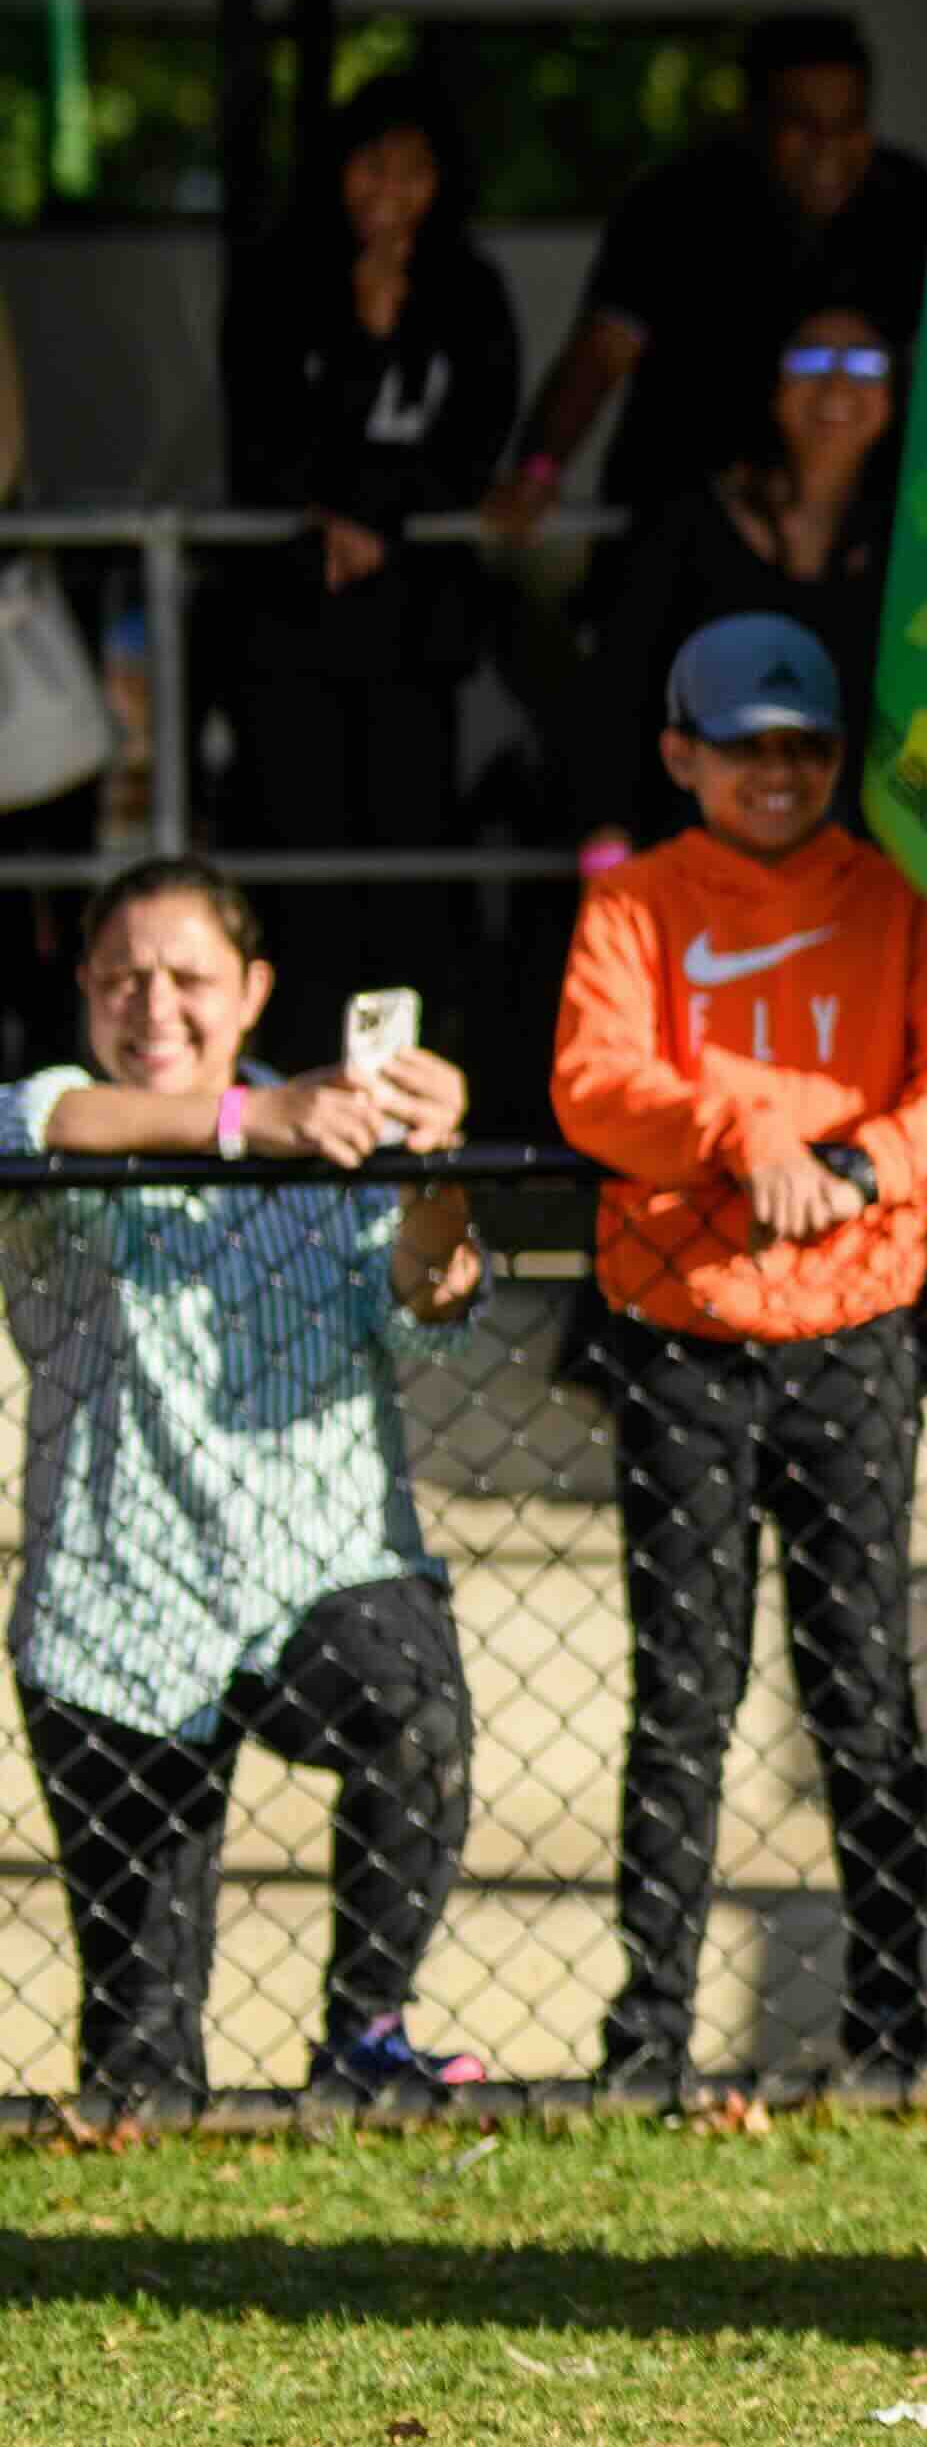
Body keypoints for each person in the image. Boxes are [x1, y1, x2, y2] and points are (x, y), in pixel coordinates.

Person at [546, 614, 927, 2093]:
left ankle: (887, 2022)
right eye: (745, 744)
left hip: (851, 1344)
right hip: (679, 1341)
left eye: (804, 745)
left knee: (861, 1691)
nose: (776, 770)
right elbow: (590, 1087)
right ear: (681, 751)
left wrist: (870, 1163)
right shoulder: (633, 908)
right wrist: (745, 1134)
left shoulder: (897, 902)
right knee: (682, 1695)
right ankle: (649, 2036)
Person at [1, 859, 488, 2101]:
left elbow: (432, 1303)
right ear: (86, 992)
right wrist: (242, 1127)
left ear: (255, 990)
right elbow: (41, 1122)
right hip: (116, 1608)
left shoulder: (340, 1123)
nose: (153, 1005)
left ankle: (363, 2042)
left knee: (414, 1709)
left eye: (188, 978)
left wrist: (434, 1171)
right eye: (121, 977)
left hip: (319, 1572)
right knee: (141, 2045)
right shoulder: (64, 1119)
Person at [216, 75, 521, 1003]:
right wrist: (363, 334)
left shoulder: (469, 290)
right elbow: (265, 447)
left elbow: (474, 452)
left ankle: (408, 1079)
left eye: (415, 169)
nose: (390, 189)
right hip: (294, 623)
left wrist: (372, 520)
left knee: (409, 852)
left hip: (413, 633)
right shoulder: (274, 278)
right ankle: (295, 1068)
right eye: (370, 164)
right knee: (302, 852)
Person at [487, 11, 927, 551]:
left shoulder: (913, 205)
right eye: (803, 124)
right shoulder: (674, 205)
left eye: (848, 124)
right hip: (682, 521)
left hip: (846, 538)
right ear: (755, 120)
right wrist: (539, 472)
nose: (828, 146)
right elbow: (600, 355)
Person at [579, 300, 898, 848]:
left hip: (862, 881)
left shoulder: (914, 543)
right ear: (772, 384)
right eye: (813, 360)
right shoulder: (688, 523)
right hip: (699, 867)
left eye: (867, 365)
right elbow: (619, 691)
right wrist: (607, 850)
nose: (838, 381)